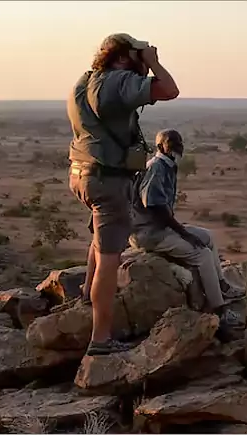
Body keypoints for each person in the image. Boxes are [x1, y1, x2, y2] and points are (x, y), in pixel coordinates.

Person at [66, 33, 180, 356]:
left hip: (81, 173)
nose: (140, 65)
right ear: (120, 58)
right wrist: (154, 62)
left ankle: (88, 292)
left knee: (100, 237)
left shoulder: (85, 81)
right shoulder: (118, 82)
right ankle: (100, 340)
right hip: (107, 180)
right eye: (135, 57)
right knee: (110, 259)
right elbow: (170, 89)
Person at [130, 129, 229, 318]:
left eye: (180, 143)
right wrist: (184, 233)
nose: (178, 147)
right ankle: (219, 309)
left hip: (160, 228)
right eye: (173, 143)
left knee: (208, 236)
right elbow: (155, 206)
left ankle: (222, 284)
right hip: (149, 233)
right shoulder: (157, 167)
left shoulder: (166, 165)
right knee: (203, 254)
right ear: (160, 146)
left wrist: (182, 231)